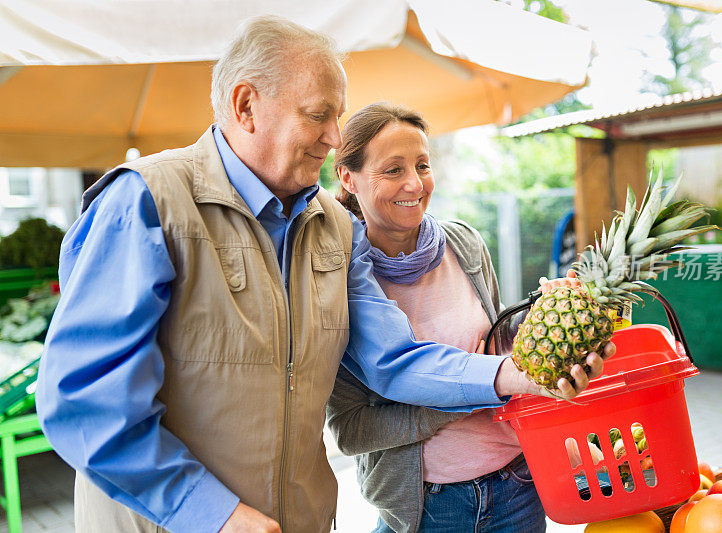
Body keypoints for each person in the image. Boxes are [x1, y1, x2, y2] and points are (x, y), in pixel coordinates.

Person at [35, 16, 611, 533]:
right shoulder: (146, 203)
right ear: (245, 107)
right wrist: (212, 514)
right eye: (319, 116)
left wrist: (515, 374)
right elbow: (85, 401)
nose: (336, 138)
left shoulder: (335, 226)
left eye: (338, 116)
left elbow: (392, 361)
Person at [326, 103, 586, 533]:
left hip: (516, 485)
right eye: (393, 169)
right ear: (348, 178)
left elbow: (497, 346)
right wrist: (456, 402)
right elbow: (351, 430)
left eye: (422, 165)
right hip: (427, 506)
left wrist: (542, 319)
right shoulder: (339, 281)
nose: (414, 183)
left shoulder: (463, 244)